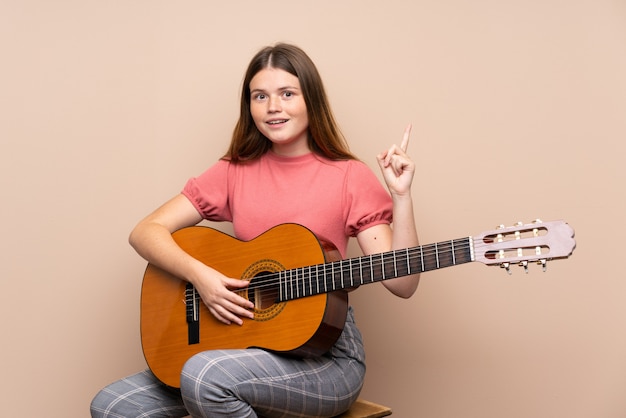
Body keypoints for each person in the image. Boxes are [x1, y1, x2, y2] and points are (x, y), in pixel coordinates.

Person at [90, 43, 420, 418]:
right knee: (114, 406)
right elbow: (145, 231)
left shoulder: (349, 176)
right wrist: (202, 278)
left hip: (326, 359)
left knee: (206, 376)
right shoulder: (234, 171)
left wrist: (401, 196)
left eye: (287, 94)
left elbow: (403, 284)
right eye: (259, 96)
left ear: (310, 99)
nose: (273, 107)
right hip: (241, 348)